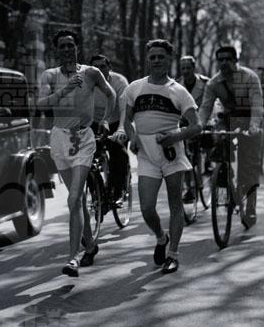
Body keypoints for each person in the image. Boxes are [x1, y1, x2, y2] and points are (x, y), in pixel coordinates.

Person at [113, 39, 201, 274]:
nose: (156, 61)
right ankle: (161, 237)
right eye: (152, 57)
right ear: (147, 60)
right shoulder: (135, 88)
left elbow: (197, 126)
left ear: (169, 59)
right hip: (146, 153)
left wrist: (174, 137)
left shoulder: (178, 91)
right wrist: (132, 137)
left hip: (171, 153)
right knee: (147, 208)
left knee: (175, 204)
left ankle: (173, 255)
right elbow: (126, 120)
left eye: (161, 56)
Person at [38, 30, 116, 277]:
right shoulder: (49, 75)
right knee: (78, 200)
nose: (67, 49)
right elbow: (41, 103)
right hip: (60, 138)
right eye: (62, 46)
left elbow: (111, 94)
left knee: (74, 198)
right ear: (56, 50)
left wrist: (105, 120)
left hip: (84, 138)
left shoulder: (91, 73)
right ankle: (90, 245)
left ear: (77, 48)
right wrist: (65, 90)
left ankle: (72, 259)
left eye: (70, 45)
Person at [199, 45, 263, 229]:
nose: (224, 62)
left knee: (249, 167)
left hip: (249, 120)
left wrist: (254, 126)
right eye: (221, 59)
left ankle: (250, 207)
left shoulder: (249, 77)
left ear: (236, 60)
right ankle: (223, 191)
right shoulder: (213, 83)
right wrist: (199, 126)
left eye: (228, 59)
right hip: (227, 121)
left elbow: (257, 105)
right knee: (219, 154)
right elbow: (205, 108)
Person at [90, 54, 130, 203]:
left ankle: (118, 191)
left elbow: (125, 110)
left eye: (103, 67)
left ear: (109, 68)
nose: (99, 70)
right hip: (95, 121)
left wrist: (121, 129)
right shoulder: (84, 82)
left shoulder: (119, 82)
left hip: (116, 120)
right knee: (85, 156)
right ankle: (96, 191)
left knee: (118, 153)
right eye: (95, 68)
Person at [178, 55, 210, 200]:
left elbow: (210, 103)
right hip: (184, 123)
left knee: (207, 143)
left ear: (194, 68)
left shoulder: (205, 83)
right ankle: (189, 188)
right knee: (184, 156)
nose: (185, 71)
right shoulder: (176, 84)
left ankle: (208, 163)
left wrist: (207, 121)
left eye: (188, 68)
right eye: (183, 68)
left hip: (202, 121)